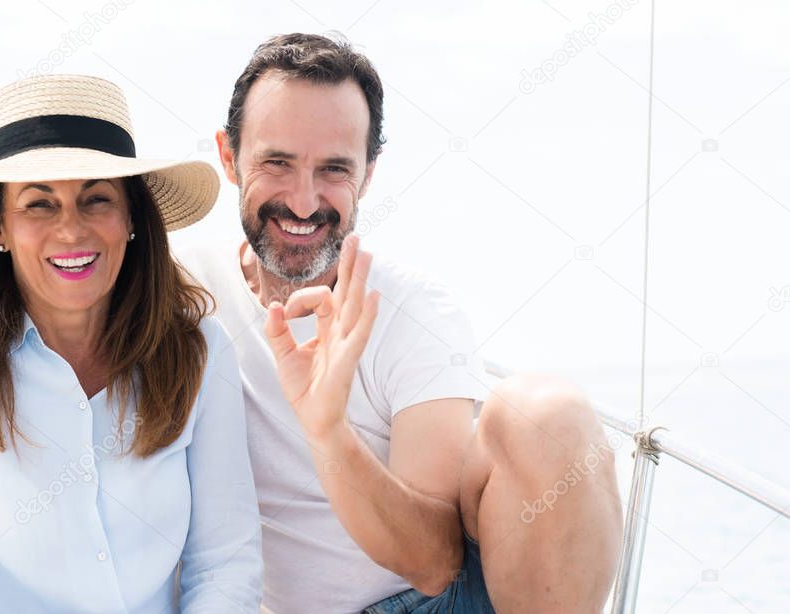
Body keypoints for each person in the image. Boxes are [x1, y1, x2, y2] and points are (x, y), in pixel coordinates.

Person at [178, 33, 623, 613]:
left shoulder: (416, 313)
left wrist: (328, 429)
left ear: (366, 176)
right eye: (278, 163)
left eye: (334, 168)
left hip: (431, 601)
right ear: (230, 158)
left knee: (548, 414)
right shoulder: (181, 290)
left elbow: (435, 564)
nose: (306, 201)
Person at [0, 74, 262, 613]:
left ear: (131, 217)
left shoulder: (199, 351)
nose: (71, 230)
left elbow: (225, 564)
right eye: (39, 204)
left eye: (96, 199)